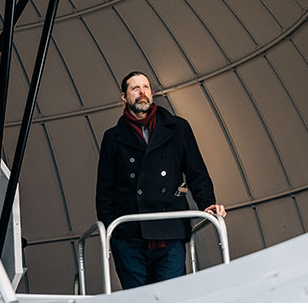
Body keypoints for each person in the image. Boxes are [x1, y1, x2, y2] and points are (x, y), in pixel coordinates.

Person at [95, 71, 225, 289]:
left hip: (169, 230)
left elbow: (196, 172)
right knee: (137, 301)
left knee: (172, 297)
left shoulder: (177, 128)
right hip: (129, 235)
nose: (142, 93)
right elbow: (105, 189)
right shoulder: (113, 137)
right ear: (124, 97)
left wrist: (207, 203)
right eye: (135, 88)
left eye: (146, 87)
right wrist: (112, 231)